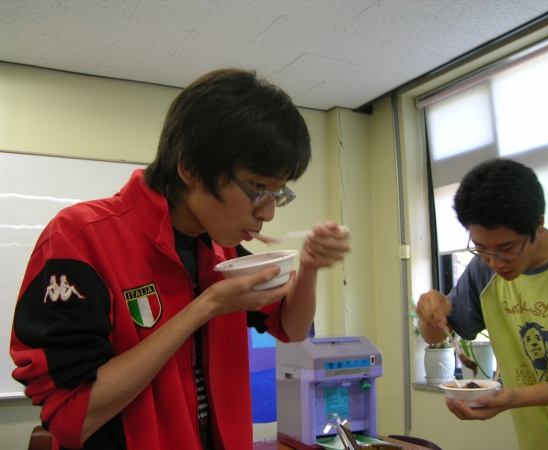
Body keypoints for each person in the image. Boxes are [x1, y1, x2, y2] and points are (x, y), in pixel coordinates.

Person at [10, 68, 351, 450]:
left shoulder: (220, 249)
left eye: (278, 192)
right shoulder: (80, 237)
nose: (268, 212)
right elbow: (71, 417)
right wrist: (205, 307)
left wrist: (310, 266)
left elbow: (291, 328)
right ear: (190, 168)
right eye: (257, 188)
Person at [416, 158, 548, 449]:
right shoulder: (483, 271)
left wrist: (514, 397)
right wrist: (429, 311)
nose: (494, 262)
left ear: (538, 223)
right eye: (481, 248)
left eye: (507, 248)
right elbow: (434, 335)